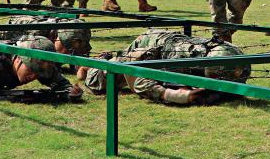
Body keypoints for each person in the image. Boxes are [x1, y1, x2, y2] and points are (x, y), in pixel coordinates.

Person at [80, 29, 250, 105]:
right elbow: (139, 80)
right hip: (149, 45)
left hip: (168, 42)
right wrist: (181, 96)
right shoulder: (174, 59)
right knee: (102, 79)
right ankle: (91, 65)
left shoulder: (226, 53)